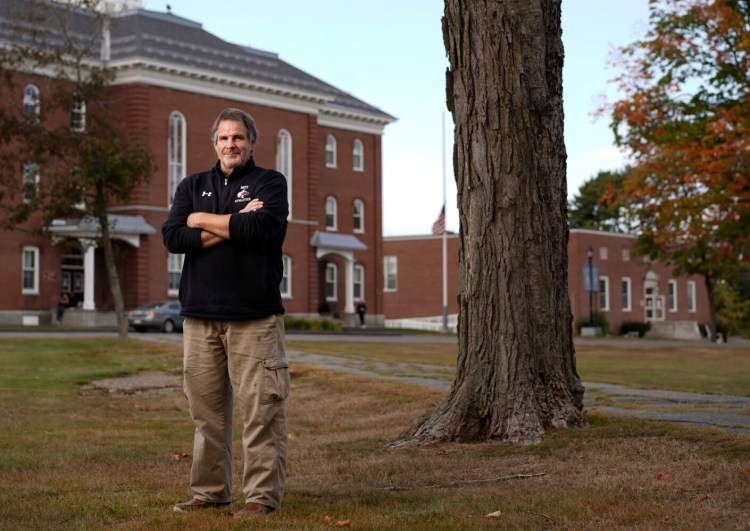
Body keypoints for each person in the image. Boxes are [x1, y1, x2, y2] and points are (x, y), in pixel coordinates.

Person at [162, 108, 290, 518]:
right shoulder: (192, 185)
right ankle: (211, 492)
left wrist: (203, 225)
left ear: (251, 142)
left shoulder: (270, 182)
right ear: (214, 143)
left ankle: (260, 498)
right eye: (223, 138)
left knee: (261, 411)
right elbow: (173, 236)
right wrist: (222, 221)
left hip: (254, 317)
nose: (230, 144)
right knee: (207, 415)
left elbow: (258, 230)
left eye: (238, 137)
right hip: (199, 316)